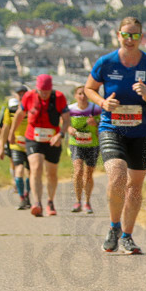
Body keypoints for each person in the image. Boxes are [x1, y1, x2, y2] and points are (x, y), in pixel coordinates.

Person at [84, 17, 146, 255]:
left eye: (135, 35)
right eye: (126, 35)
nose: (130, 40)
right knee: (118, 175)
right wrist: (102, 102)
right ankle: (113, 227)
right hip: (112, 128)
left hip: (142, 132)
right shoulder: (106, 62)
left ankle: (128, 236)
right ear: (118, 35)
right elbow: (89, 88)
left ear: (142, 37)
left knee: (134, 188)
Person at [9, 74, 68, 217]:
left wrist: (60, 135)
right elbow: (19, 114)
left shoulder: (59, 97)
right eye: (41, 92)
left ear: (51, 89)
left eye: (47, 92)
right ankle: (37, 203)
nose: (44, 95)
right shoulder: (29, 96)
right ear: (37, 88)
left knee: (51, 173)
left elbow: (66, 120)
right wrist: (12, 132)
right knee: (35, 167)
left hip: (53, 139)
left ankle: (50, 201)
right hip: (33, 138)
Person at [0, 86, 31, 210]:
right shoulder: (10, 110)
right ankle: (22, 198)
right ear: (16, 96)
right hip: (16, 145)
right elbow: (5, 128)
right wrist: (1, 147)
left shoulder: (33, 109)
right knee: (19, 170)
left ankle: (28, 195)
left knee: (31, 173)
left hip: (31, 144)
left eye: (23, 93)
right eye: (19, 94)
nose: (21, 96)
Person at [67, 85, 102, 213]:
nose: (82, 96)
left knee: (88, 174)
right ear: (75, 96)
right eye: (80, 94)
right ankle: (77, 201)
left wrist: (96, 124)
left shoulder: (96, 109)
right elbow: (64, 122)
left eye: (85, 94)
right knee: (78, 170)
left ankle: (87, 202)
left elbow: (104, 124)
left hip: (92, 144)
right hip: (76, 144)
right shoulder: (70, 109)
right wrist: (69, 129)